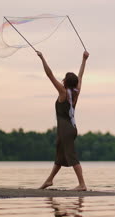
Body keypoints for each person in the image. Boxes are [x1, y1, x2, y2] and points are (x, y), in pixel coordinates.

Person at [37, 50, 89, 191]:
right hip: (68, 129)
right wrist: (84, 59)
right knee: (60, 156)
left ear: (65, 82)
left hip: (66, 130)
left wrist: (42, 57)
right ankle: (49, 181)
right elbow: (81, 75)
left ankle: (82, 184)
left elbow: (50, 75)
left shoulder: (63, 92)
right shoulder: (76, 92)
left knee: (71, 155)